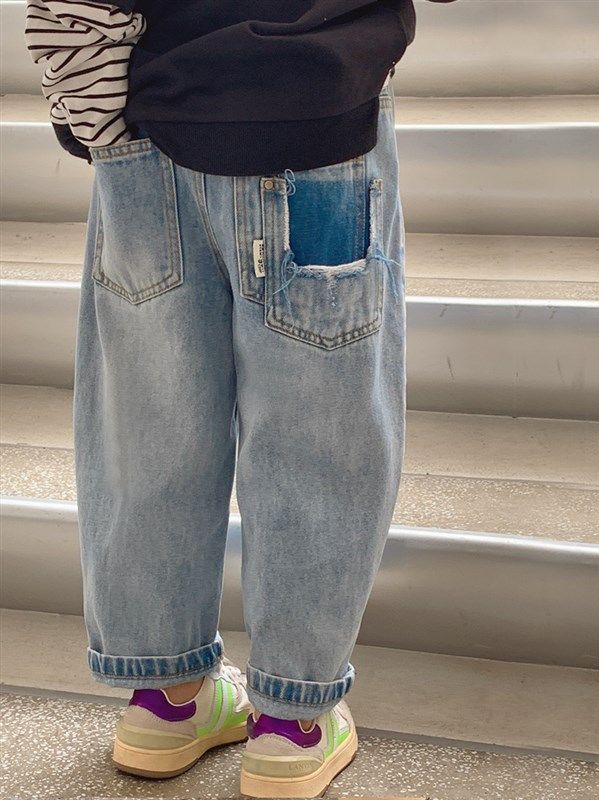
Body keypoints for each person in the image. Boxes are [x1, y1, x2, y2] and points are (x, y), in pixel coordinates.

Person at [25, 1, 456, 797]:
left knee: (149, 423)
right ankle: (292, 724)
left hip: (149, 126)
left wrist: (93, 121)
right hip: (317, 118)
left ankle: (166, 700)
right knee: (320, 432)